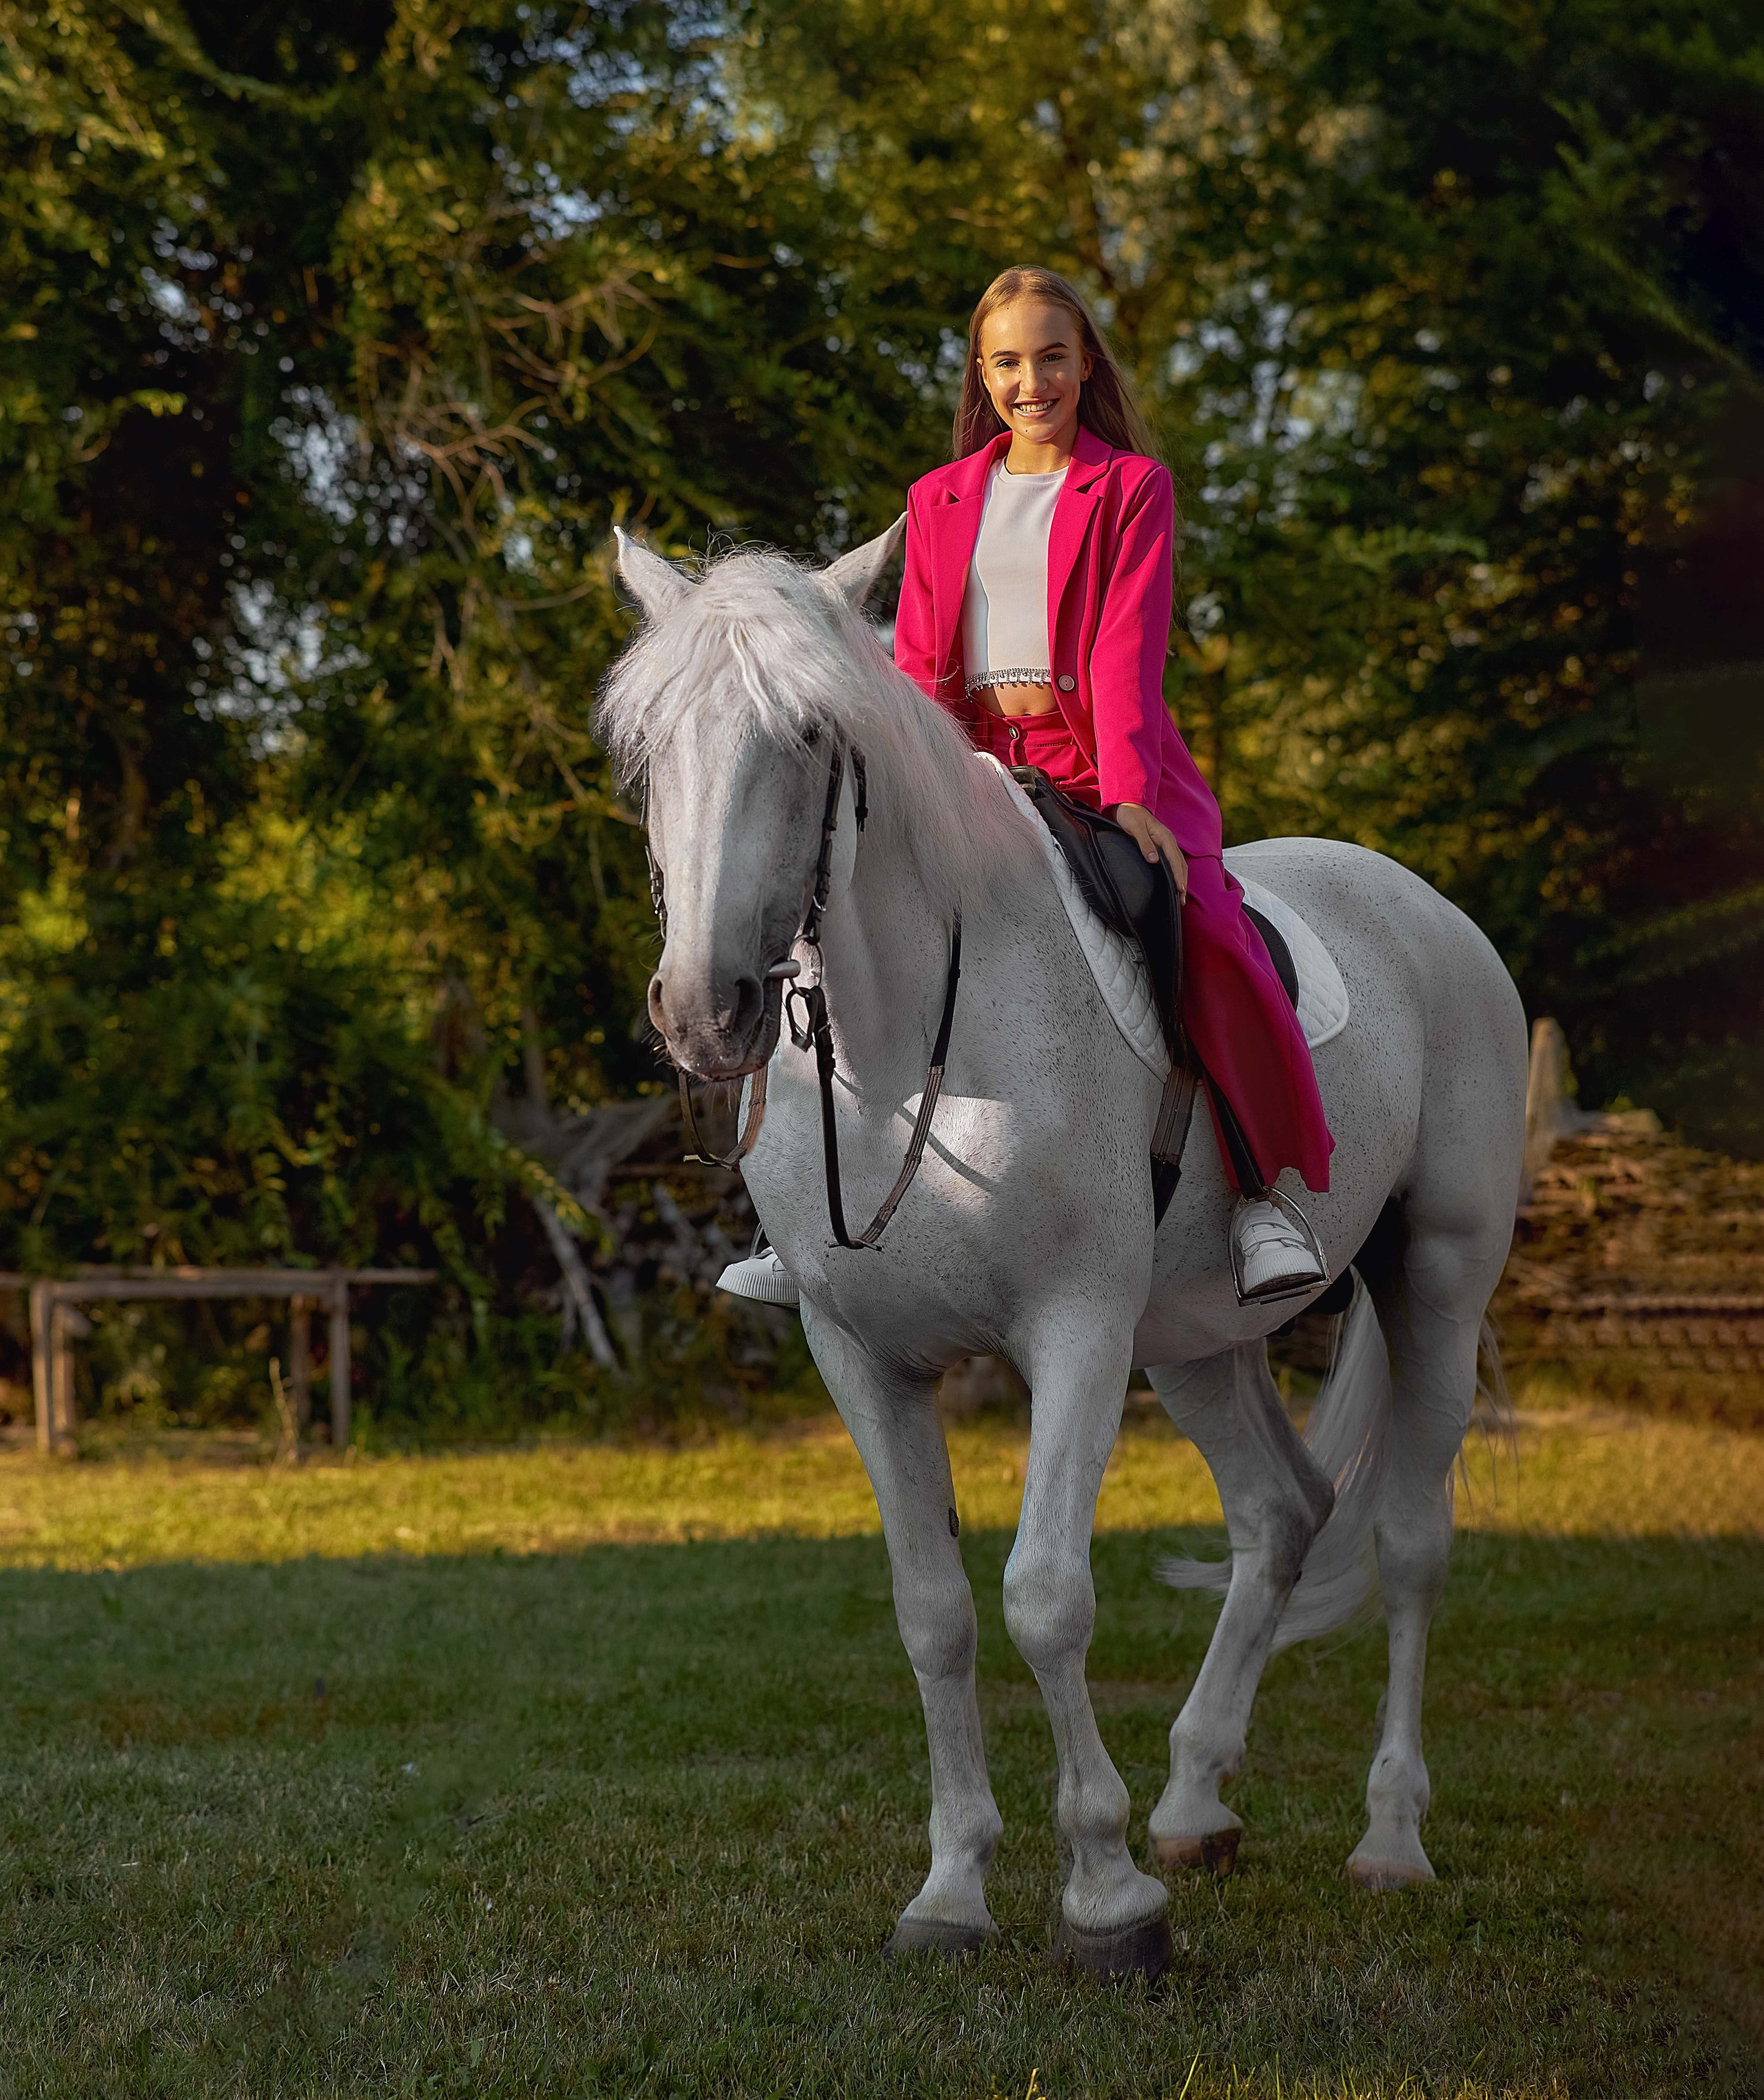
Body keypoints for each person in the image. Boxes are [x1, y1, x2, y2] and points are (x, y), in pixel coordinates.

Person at [719, 265, 1333, 1308]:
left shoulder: (1132, 487)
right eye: (1007, 361)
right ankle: (791, 1213)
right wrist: (917, 786)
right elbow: (918, 669)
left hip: (1103, 764)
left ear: (1086, 362)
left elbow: (1126, 656)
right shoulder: (937, 499)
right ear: (982, 373)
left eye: (1052, 355)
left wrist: (1134, 790)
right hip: (966, 770)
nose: (1030, 379)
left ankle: (1261, 1198)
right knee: (828, 921)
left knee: (1200, 927)